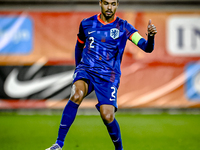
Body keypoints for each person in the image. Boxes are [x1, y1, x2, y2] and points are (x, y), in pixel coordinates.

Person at [46, 0, 157, 150]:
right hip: (87, 70)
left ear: (117, 5)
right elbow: (79, 46)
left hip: (108, 76)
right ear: (100, 3)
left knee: (107, 116)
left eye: (113, 4)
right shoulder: (87, 23)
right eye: (106, 3)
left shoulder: (124, 27)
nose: (109, 7)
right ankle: (58, 144)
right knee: (76, 94)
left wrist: (151, 37)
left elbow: (146, 48)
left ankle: (119, 149)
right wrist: (78, 68)